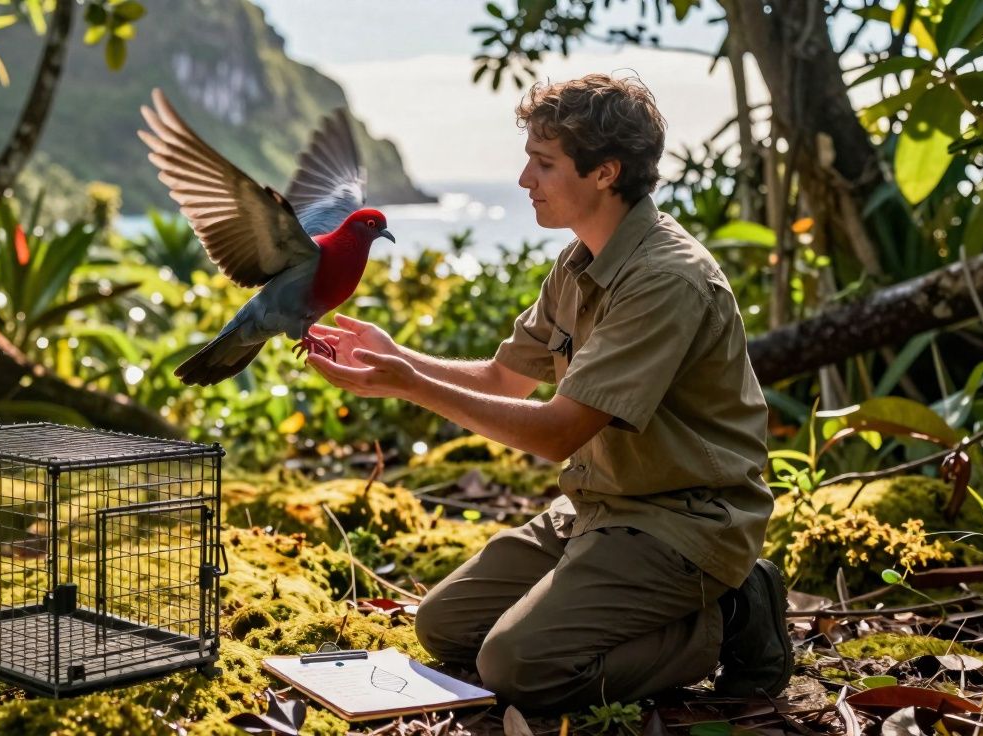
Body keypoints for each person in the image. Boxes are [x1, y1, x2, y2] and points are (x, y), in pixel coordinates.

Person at [305, 73, 792, 712]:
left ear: (604, 173)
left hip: (682, 522)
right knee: (445, 626)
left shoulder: (666, 281)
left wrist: (411, 385)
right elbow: (503, 379)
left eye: (543, 163)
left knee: (516, 667)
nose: (523, 179)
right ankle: (634, 607)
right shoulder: (577, 265)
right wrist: (394, 357)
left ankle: (731, 616)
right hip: (599, 509)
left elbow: (557, 431)